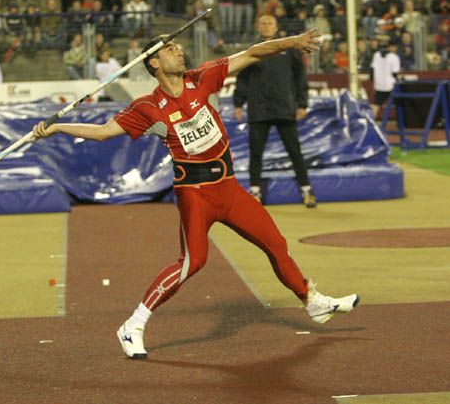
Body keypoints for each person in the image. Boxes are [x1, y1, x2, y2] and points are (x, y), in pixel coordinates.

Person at [32, 27, 359, 359]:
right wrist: (56, 127)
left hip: (228, 188)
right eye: (169, 49)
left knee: (275, 244)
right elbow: (103, 132)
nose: (178, 51)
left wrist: (292, 42)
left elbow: (253, 53)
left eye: (177, 46)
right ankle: (133, 324)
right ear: (154, 63)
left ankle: (312, 302)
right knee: (193, 261)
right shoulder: (147, 107)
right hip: (195, 193)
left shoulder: (203, 78)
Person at [233, 15, 317, 207]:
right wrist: (238, 103)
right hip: (258, 109)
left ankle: (307, 191)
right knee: (256, 153)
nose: (266, 26)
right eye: (263, 23)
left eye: (270, 23)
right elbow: (243, 79)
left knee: (295, 151)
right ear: (257, 26)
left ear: (276, 27)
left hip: (284, 108)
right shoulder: (251, 51)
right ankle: (255, 193)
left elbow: (300, 78)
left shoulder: (289, 49)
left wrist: (302, 103)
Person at [370, 40, 400, 119]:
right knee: (400, 102)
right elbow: (395, 73)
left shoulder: (376, 55)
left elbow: (372, 70)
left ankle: (371, 122)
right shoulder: (394, 57)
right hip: (391, 85)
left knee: (376, 104)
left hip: (379, 85)